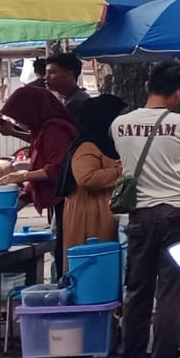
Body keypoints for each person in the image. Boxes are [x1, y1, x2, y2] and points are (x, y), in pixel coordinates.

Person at [112, 59, 180, 358]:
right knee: (171, 288)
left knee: (137, 287)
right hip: (178, 211)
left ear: (148, 86)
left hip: (140, 214)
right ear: (178, 93)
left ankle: (132, 356)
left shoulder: (119, 124)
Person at [0, 83, 78, 223]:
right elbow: (39, 167)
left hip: (70, 199)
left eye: (20, 116)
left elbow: (56, 169)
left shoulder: (55, 130)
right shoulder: (41, 130)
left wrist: (21, 176)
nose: (19, 121)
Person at [61, 94, 124, 250]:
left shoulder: (108, 143)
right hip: (89, 216)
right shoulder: (87, 146)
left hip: (104, 212)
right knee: (94, 262)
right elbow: (86, 178)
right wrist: (121, 171)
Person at [43, 52, 90, 117]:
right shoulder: (61, 98)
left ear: (70, 75)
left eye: (52, 72)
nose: (45, 77)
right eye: (46, 73)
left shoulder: (77, 103)